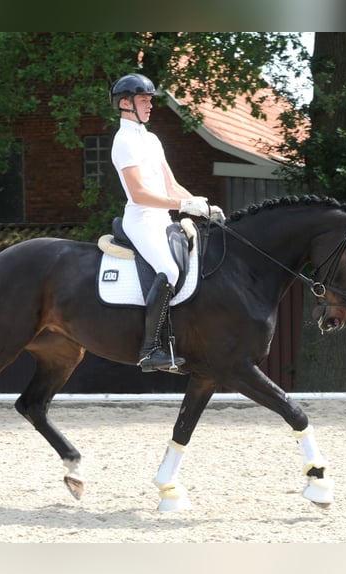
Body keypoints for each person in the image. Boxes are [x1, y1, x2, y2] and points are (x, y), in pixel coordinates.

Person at [109, 72, 222, 373]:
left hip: (162, 216)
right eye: (143, 100)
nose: (150, 106)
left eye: (149, 100)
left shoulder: (152, 139)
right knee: (169, 269)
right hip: (141, 218)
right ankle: (150, 351)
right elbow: (140, 193)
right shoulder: (123, 141)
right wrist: (184, 206)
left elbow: (170, 185)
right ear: (125, 103)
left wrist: (204, 206)